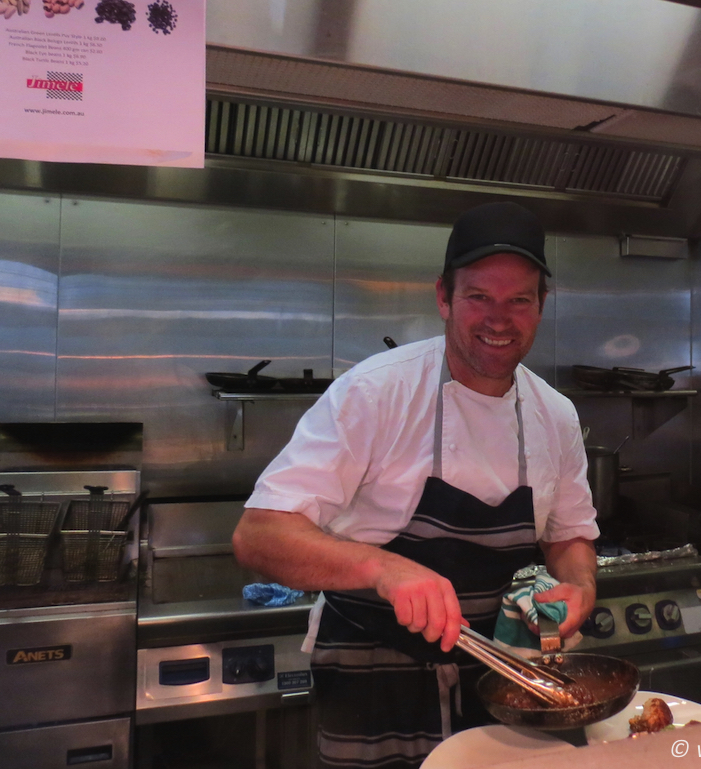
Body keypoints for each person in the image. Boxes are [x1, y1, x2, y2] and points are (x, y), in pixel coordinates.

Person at [232, 200, 599, 769]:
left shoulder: (556, 415)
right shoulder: (375, 394)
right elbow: (258, 536)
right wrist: (384, 569)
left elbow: (570, 535)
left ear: (541, 306)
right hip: (371, 676)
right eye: (478, 296)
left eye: (518, 299)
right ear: (443, 297)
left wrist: (580, 588)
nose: (498, 318)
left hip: (502, 674)